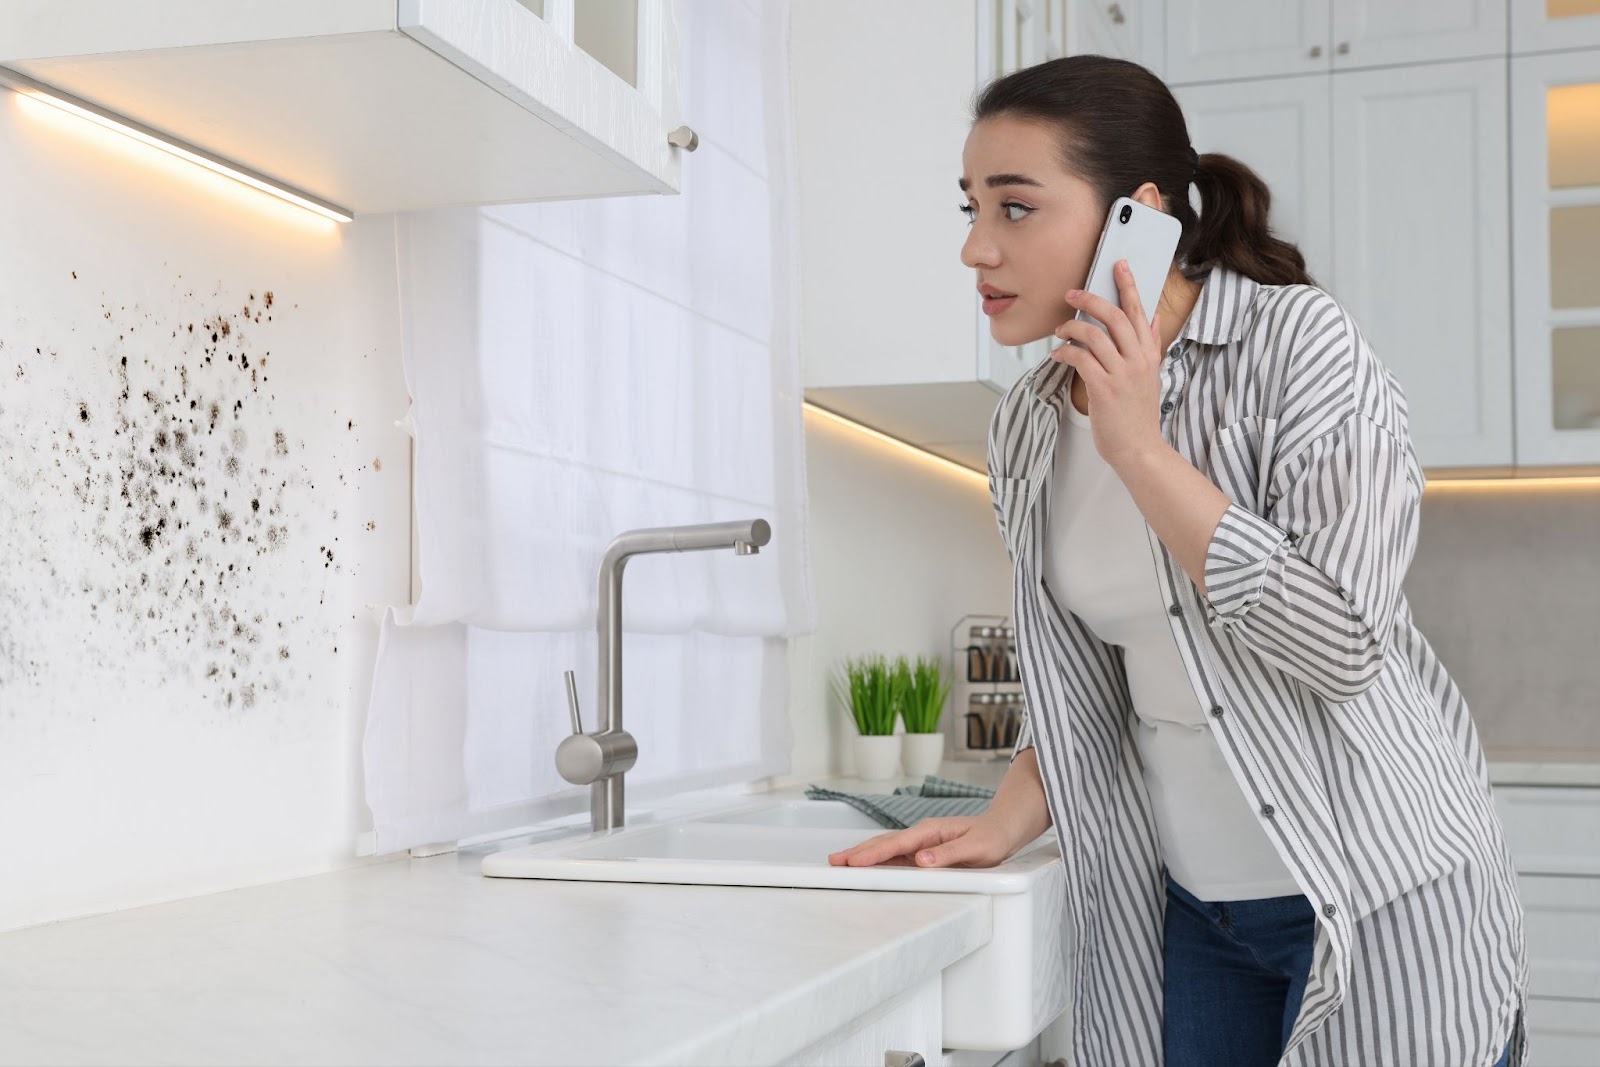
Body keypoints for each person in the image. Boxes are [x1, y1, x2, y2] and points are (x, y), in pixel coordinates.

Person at [826, 55, 1527, 1067]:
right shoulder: (1025, 423)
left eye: (1016, 208)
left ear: (1138, 214)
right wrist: (1008, 813)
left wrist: (1140, 450)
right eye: (971, 206)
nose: (977, 247)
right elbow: (1087, 678)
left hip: (1376, 897)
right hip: (1195, 914)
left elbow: (1341, 640)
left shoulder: (1297, 346)